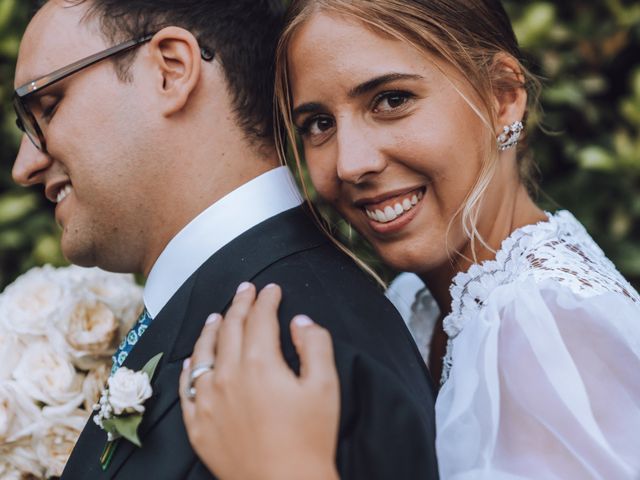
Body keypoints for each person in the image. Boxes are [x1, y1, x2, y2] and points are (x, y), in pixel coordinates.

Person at [178, 0, 640, 479]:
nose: (349, 163)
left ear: (502, 96)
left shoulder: (548, 327)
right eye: (319, 123)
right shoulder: (418, 305)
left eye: (391, 100)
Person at [11, 0, 439, 478]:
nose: (24, 166)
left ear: (171, 69)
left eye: (45, 108)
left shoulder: (303, 346)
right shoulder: (236, 308)